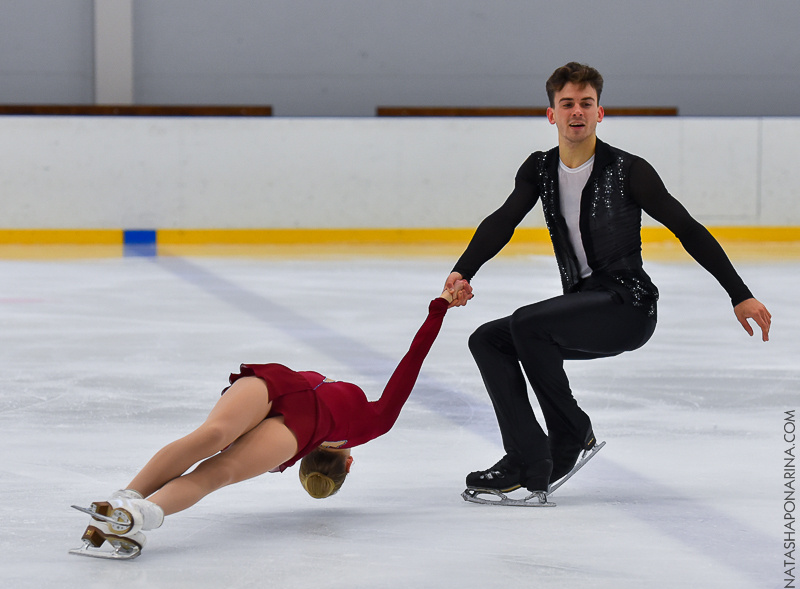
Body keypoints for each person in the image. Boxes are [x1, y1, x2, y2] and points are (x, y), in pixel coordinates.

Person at [444, 62, 772, 500]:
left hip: (627, 307)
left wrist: (740, 294)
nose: (576, 112)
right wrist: (463, 271)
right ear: (551, 115)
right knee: (488, 339)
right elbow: (503, 221)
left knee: (526, 324)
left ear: (600, 113)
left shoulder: (629, 169)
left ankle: (567, 437)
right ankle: (526, 454)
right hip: (583, 306)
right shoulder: (540, 169)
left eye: (586, 103)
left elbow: (688, 228)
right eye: (567, 104)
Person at [72, 281, 471, 559]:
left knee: (211, 436)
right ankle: (139, 515)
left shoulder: (374, 425)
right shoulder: (369, 424)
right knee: (216, 472)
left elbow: (410, 363)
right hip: (298, 431)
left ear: (349, 462)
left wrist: (439, 308)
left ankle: (125, 501)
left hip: (282, 387)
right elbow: (410, 367)